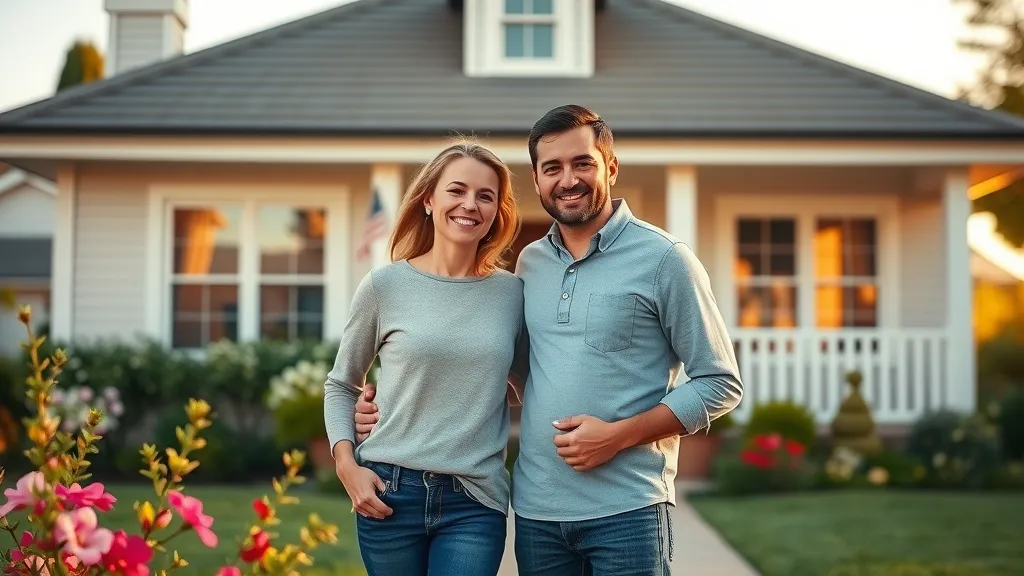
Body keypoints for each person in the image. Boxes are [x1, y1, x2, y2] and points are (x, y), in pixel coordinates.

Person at [355, 104, 744, 575]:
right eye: (552, 168)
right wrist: (391, 405)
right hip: (538, 514)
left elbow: (720, 383)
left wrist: (618, 437)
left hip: (628, 510)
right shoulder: (530, 266)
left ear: (611, 167)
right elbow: (505, 375)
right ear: (537, 181)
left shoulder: (666, 260)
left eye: (583, 163)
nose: (569, 179)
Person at [323, 141, 525, 576]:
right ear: (429, 200)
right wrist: (347, 466)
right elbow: (341, 384)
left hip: (474, 499)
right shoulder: (384, 287)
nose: (470, 204)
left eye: (485, 195)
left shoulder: (513, 294)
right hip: (390, 491)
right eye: (457, 190)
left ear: (496, 212)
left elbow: (531, 384)